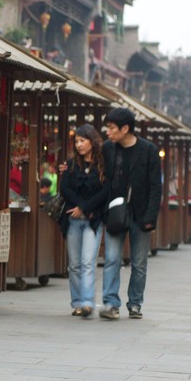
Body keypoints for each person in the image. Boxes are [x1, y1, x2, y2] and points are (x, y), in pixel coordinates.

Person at [99, 107, 162, 321]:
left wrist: (151, 218)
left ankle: (135, 303)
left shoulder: (149, 150)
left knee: (139, 262)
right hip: (115, 212)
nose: (108, 132)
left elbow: (155, 187)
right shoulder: (108, 148)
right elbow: (101, 176)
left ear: (125, 129)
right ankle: (111, 303)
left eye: (111, 128)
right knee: (111, 258)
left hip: (141, 213)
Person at [59, 124, 108, 318]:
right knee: (74, 264)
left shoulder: (103, 164)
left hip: (94, 219)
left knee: (88, 261)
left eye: (82, 140)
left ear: (92, 141)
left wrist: (85, 208)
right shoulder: (71, 164)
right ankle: (77, 302)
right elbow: (65, 189)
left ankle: (88, 302)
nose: (79, 145)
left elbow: (106, 190)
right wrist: (79, 207)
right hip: (73, 219)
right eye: (76, 141)